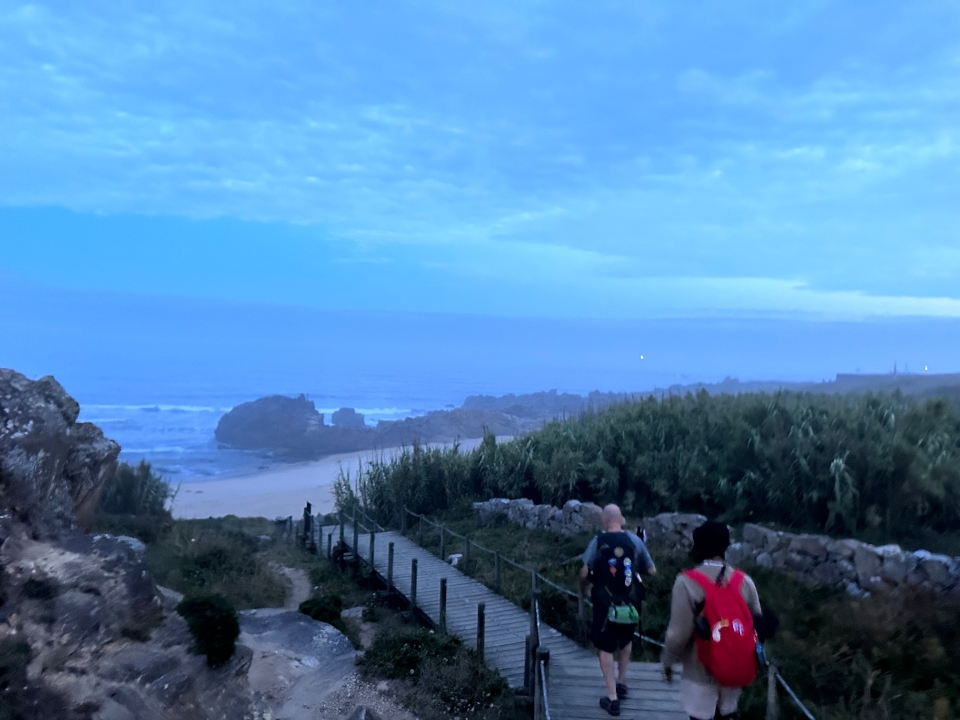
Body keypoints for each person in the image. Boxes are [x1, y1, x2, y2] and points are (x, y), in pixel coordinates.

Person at [661, 520, 762, 720]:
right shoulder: (744, 581)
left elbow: (677, 634)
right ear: (725, 546)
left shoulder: (686, 582)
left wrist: (668, 662)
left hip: (700, 673)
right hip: (734, 671)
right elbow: (757, 624)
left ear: (698, 546)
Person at [580, 504, 656, 716]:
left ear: (604, 521)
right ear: (621, 519)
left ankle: (612, 698)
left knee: (605, 647)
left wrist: (582, 590)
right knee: (626, 640)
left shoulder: (598, 542)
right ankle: (622, 681)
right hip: (631, 602)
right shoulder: (635, 540)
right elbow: (652, 570)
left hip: (605, 604)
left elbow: (585, 571)